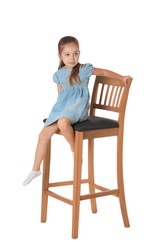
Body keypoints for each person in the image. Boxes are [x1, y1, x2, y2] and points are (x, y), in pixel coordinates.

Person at [23, 36, 131, 186]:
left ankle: (75, 151)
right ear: (60, 56)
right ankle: (35, 169)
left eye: (76, 53)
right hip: (63, 108)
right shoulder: (58, 74)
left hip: (78, 108)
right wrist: (56, 113)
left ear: (79, 53)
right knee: (44, 133)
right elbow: (60, 95)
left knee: (62, 123)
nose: (72, 58)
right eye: (67, 54)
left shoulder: (83, 69)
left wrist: (121, 77)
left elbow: (104, 73)